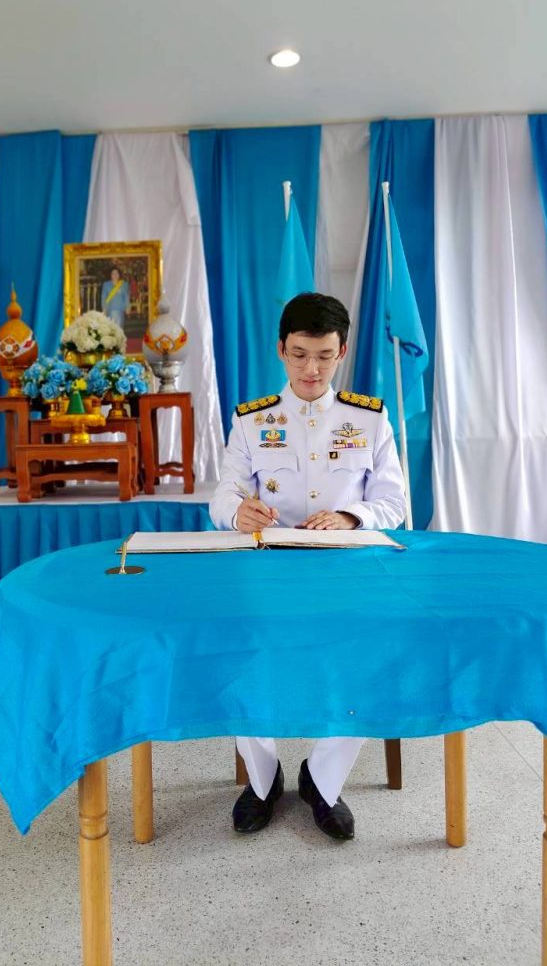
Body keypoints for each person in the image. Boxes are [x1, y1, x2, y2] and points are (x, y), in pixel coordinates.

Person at [209, 292, 406, 840]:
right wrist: (237, 511)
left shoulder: (369, 419)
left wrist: (349, 515)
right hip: (269, 568)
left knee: (371, 650)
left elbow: (394, 504)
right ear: (281, 349)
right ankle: (262, 778)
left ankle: (323, 778)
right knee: (240, 647)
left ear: (342, 351)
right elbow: (223, 493)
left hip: (347, 570)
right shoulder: (252, 420)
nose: (311, 369)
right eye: (299, 355)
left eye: (323, 356)